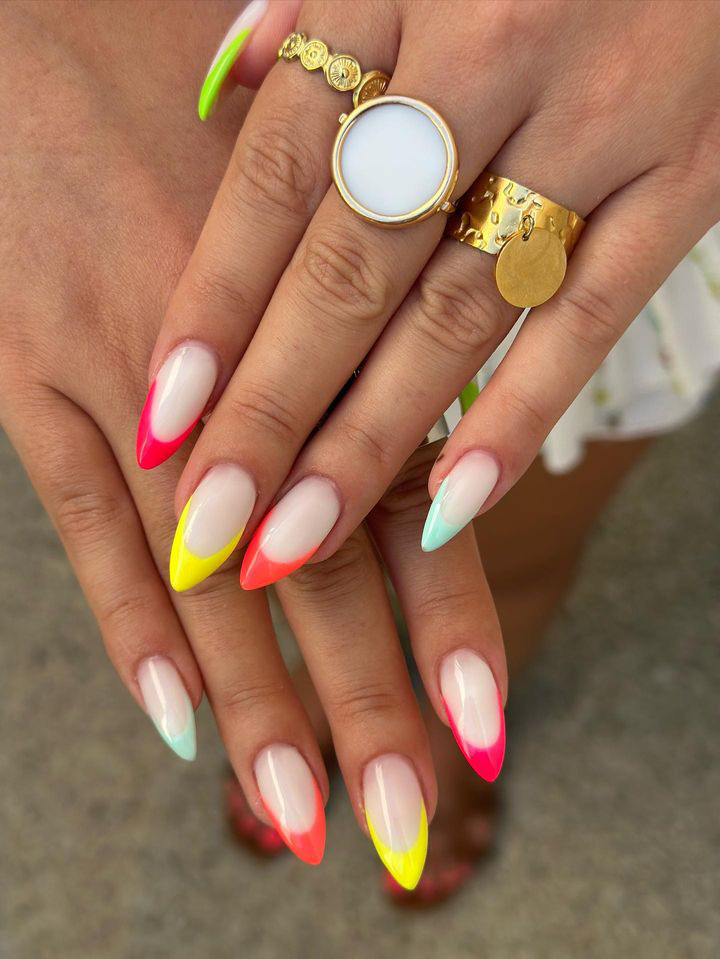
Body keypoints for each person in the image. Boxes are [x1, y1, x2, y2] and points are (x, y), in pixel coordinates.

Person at [1, 0, 718, 906]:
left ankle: (449, 706)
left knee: (507, 542)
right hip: (172, 62)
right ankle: (369, 683)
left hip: (620, 114)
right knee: (287, 539)